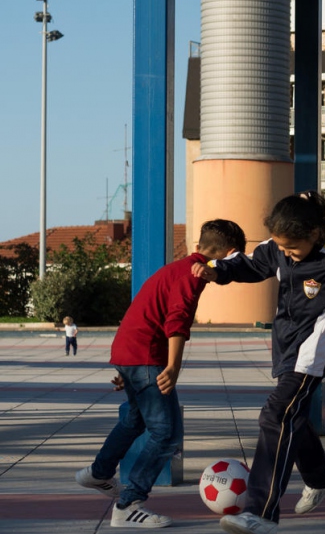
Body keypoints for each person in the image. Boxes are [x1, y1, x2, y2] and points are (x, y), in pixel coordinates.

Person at [192, 192, 325, 534]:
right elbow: (252, 264)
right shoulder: (277, 247)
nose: (286, 253)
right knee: (292, 419)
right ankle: (319, 476)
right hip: (285, 349)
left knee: (275, 416)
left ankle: (261, 511)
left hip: (311, 354)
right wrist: (217, 271)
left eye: (293, 248)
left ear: (315, 233)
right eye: (282, 247)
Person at [75, 219, 247, 528]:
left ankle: (98, 474)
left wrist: (128, 368)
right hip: (145, 356)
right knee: (167, 434)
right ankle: (128, 506)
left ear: (199, 245)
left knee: (135, 419)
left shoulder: (174, 268)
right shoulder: (192, 276)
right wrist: (173, 367)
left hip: (129, 352)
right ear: (230, 254)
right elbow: (176, 322)